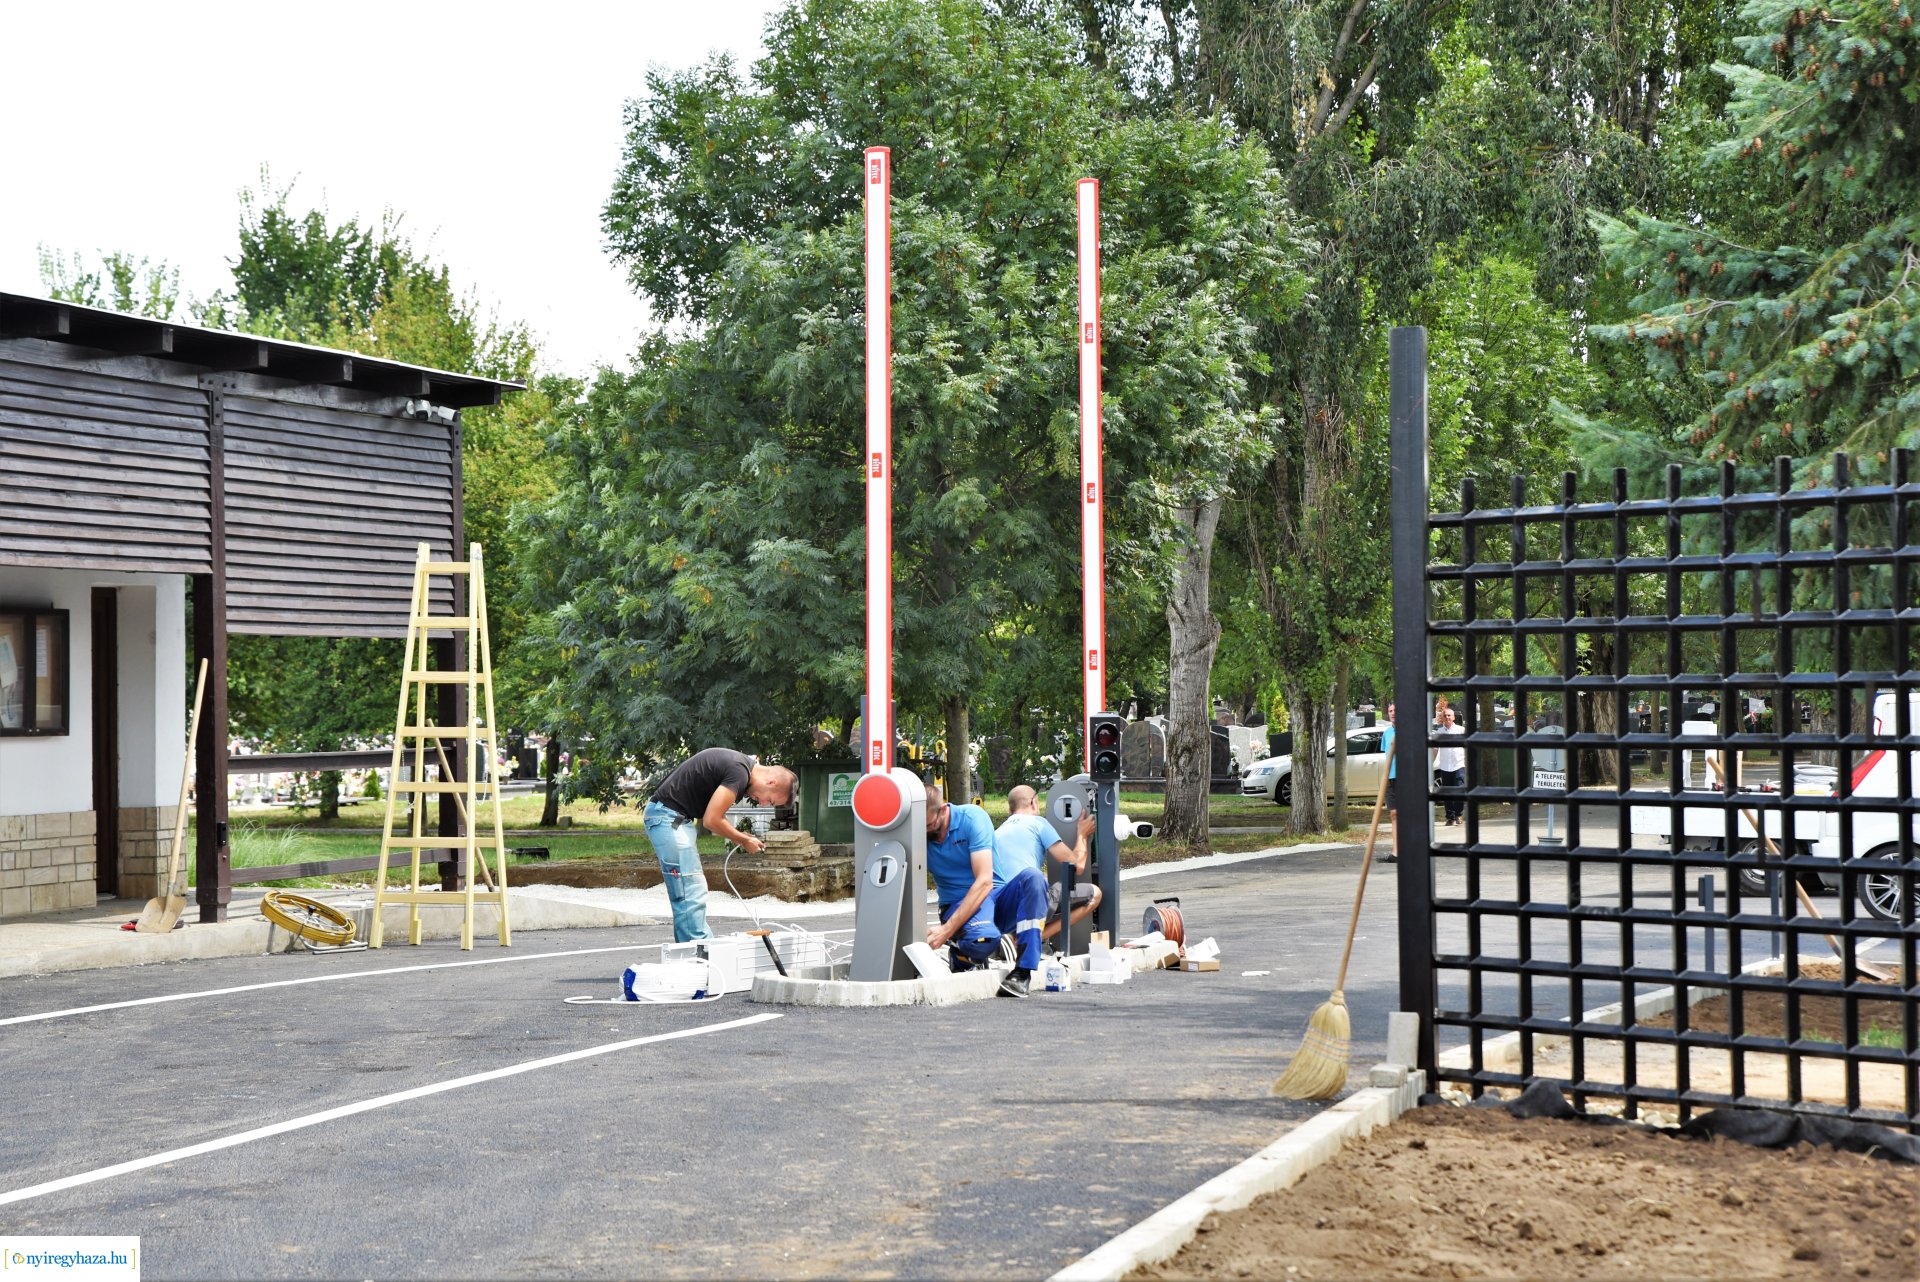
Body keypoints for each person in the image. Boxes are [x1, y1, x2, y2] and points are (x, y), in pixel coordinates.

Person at [644, 749, 797, 942]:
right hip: (668, 818)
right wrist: (742, 839)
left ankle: (693, 950)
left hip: (671, 818)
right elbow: (711, 820)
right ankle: (700, 951)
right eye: (771, 800)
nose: (763, 804)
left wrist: (738, 836)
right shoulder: (739, 772)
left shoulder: (740, 767)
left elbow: (715, 814)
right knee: (689, 888)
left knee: (688, 888)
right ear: (771, 782)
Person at [923, 783, 1032, 997]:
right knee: (982, 942)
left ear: (943, 810)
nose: (925, 832)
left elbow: (984, 881)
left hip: (991, 895)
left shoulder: (972, 818)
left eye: (929, 825)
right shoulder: (918, 833)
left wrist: (946, 931)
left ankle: (1023, 971)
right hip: (955, 902)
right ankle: (963, 954)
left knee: (1034, 880)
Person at [992, 785, 1100, 941]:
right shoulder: (1038, 823)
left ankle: (1016, 936)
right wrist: (1082, 835)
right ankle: (1028, 938)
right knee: (1095, 894)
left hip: (1001, 909)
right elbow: (1078, 866)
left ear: (1010, 811)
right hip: (1029, 901)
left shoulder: (997, 832)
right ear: (1034, 803)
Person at [1432, 705, 1467, 825]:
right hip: (1445, 766)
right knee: (1447, 792)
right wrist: (1431, 762)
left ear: (1453, 718)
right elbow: (1435, 749)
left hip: (1459, 764)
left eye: (1449, 715)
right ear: (1442, 718)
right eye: (1445, 715)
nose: (1447, 717)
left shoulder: (1461, 730)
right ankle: (1450, 817)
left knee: (1459, 790)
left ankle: (1459, 815)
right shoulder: (1439, 732)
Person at [1380, 702, 1399, 864]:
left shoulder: (1408, 731)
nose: (1393, 713)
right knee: (1394, 814)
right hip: (1390, 778)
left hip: (1406, 779)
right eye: (1390, 711)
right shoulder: (1387, 733)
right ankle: (1396, 852)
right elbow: (1386, 756)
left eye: (1395, 710)